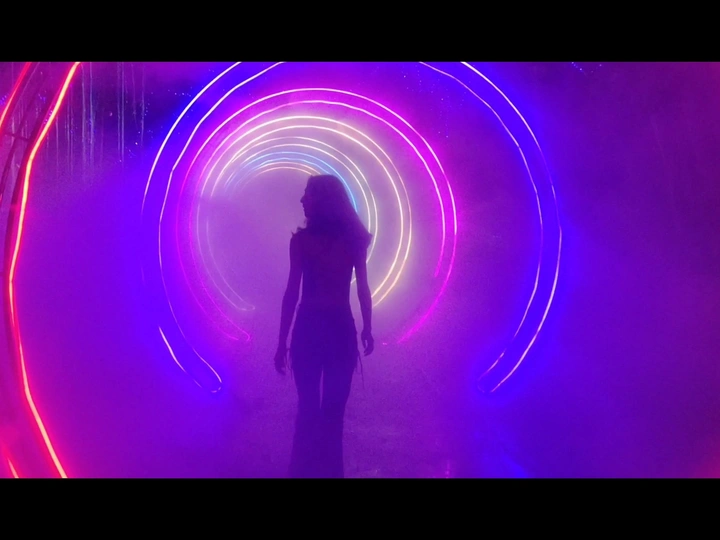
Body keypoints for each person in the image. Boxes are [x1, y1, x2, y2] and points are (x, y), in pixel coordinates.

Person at [274, 174, 374, 478]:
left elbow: (292, 293)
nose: (303, 199)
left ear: (324, 201)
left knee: (308, 411)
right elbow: (362, 288)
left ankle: (303, 470)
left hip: (309, 329)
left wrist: (281, 342)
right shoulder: (352, 242)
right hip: (340, 329)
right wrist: (367, 327)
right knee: (333, 415)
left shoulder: (301, 242)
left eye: (309, 194)